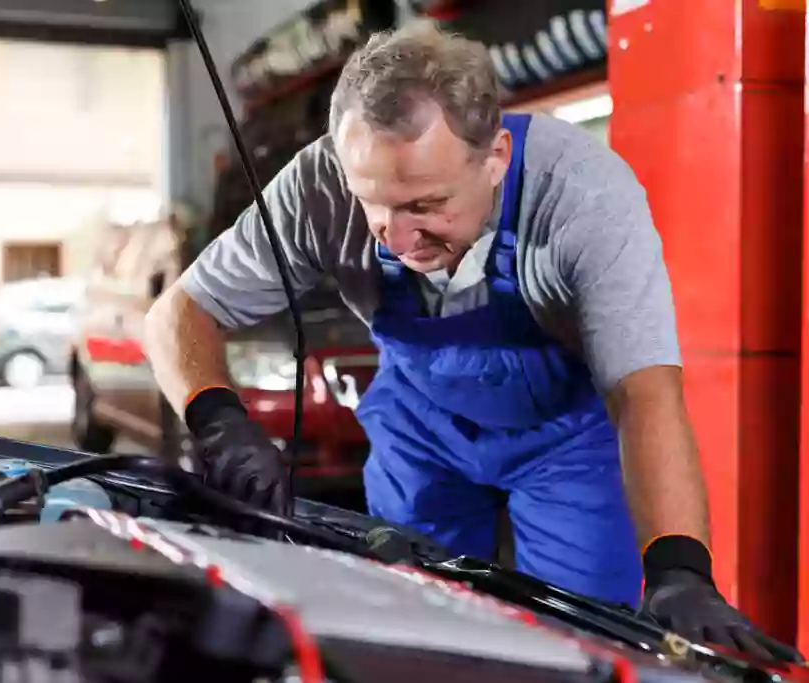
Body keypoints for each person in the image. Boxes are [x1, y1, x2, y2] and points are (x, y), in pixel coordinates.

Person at [144, 21, 802, 663]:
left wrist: (678, 565)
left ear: (495, 160)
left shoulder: (583, 197)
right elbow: (179, 313)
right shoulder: (317, 185)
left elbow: (644, 392)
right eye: (373, 204)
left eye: (425, 205)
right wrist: (218, 418)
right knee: (407, 628)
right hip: (420, 427)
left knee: (576, 643)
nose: (393, 239)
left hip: (565, 440)